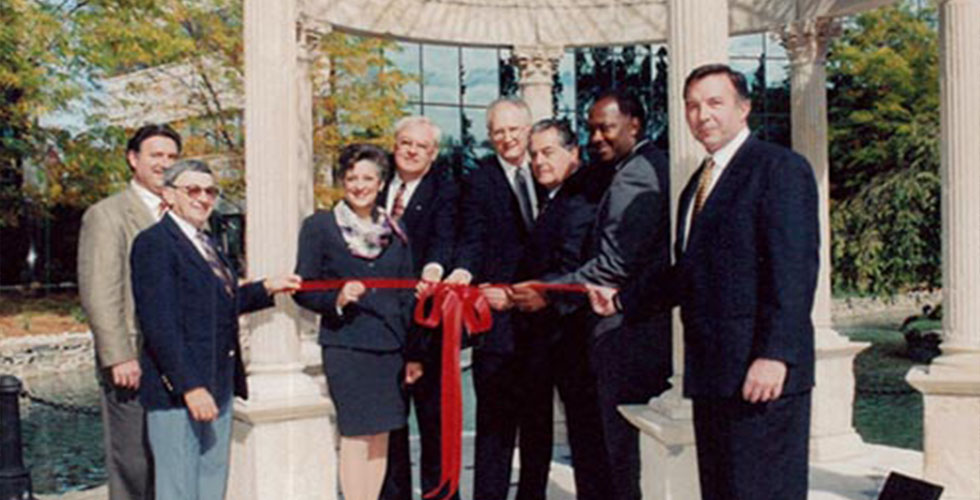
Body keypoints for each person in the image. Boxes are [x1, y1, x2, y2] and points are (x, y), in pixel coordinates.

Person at [592, 64, 819, 500]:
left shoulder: (779, 168)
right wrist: (621, 301)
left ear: (743, 108)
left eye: (715, 103)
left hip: (761, 375)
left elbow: (794, 271)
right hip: (713, 376)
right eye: (693, 106)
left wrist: (774, 355)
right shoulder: (697, 184)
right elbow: (688, 272)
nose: (702, 115)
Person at [130, 159, 300, 500]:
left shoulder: (208, 243)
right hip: (179, 395)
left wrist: (266, 287)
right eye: (193, 190)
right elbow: (160, 324)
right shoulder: (154, 243)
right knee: (178, 489)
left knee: (211, 484)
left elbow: (219, 304)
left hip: (218, 385)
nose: (203, 198)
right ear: (169, 194)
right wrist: (190, 387)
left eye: (210, 191)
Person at [554, 91, 673, 500]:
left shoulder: (637, 174)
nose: (595, 138)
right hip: (640, 331)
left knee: (623, 453)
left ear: (634, 125)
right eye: (591, 129)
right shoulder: (640, 167)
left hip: (627, 334)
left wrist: (547, 292)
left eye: (605, 127)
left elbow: (613, 265)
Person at [293, 144, 419, 500]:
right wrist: (336, 298)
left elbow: (406, 295)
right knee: (356, 434)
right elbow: (303, 288)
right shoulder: (319, 226)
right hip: (347, 346)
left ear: (381, 183)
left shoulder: (396, 228)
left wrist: (414, 353)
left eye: (368, 178)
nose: (359, 186)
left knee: (381, 435)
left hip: (391, 349)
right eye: (352, 178)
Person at [507, 118, 614, 500]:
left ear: (574, 153)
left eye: (548, 152)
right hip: (546, 337)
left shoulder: (582, 197)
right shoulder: (555, 197)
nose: (539, 161)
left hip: (573, 335)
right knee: (543, 430)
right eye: (534, 154)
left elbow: (574, 262)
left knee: (586, 436)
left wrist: (543, 294)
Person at [78, 124, 181, 500]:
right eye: (156, 155)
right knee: (134, 465)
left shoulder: (184, 213)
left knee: (171, 463)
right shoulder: (107, 215)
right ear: (133, 159)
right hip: (133, 360)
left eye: (172, 157)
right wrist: (118, 355)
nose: (164, 163)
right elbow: (100, 291)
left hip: (179, 360)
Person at [451, 97, 544, 500]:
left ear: (528, 129)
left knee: (538, 423)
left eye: (514, 130)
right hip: (498, 321)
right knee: (495, 427)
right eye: (498, 132)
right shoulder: (478, 181)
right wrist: (464, 273)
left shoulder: (548, 170)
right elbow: (471, 239)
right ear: (490, 136)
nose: (507, 138)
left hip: (545, 323)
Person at [378, 116, 460, 500]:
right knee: (389, 430)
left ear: (433, 154)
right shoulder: (375, 187)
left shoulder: (446, 191)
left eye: (421, 146)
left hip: (427, 328)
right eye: (405, 143)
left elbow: (445, 240)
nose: (411, 151)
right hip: (381, 329)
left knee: (435, 428)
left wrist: (435, 269)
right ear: (395, 145)